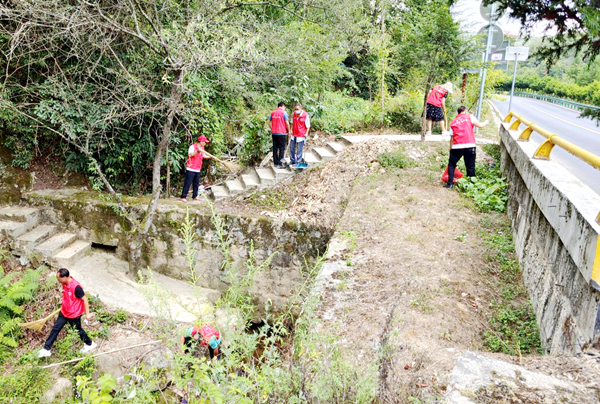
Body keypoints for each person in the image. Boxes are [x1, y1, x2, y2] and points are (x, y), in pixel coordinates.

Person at [38, 268, 96, 358]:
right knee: (56, 328)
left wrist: (87, 314)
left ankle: (89, 343)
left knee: (78, 330)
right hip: (64, 311)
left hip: (74, 314)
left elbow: (84, 299)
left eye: (59, 278)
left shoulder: (76, 287)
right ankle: (46, 349)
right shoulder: (65, 283)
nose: (58, 280)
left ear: (65, 277)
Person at [445, 105, 489, 188]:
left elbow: (452, 138)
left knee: (451, 164)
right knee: (470, 166)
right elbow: (480, 125)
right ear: (465, 111)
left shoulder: (453, 122)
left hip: (456, 146)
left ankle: (450, 183)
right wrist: (486, 122)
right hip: (470, 145)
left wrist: (451, 149)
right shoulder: (470, 117)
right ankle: (471, 185)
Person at [180, 135, 214, 203]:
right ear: (201, 141)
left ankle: (195, 195)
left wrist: (211, 157)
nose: (205, 143)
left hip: (198, 168)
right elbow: (190, 154)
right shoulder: (192, 147)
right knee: (188, 182)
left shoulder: (202, 148)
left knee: (196, 183)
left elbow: (203, 155)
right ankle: (183, 196)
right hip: (191, 167)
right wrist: (197, 152)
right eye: (204, 142)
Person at [267, 102, 290, 168]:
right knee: (281, 148)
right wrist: (289, 131)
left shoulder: (273, 112)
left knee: (275, 148)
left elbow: (268, 122)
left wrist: (272, 127)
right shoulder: (284, 113)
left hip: (274, 133)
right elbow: (287, 123)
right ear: (282, 106)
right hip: (281, 133)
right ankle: (280, 164)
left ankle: (275, 163)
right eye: (284, 107)